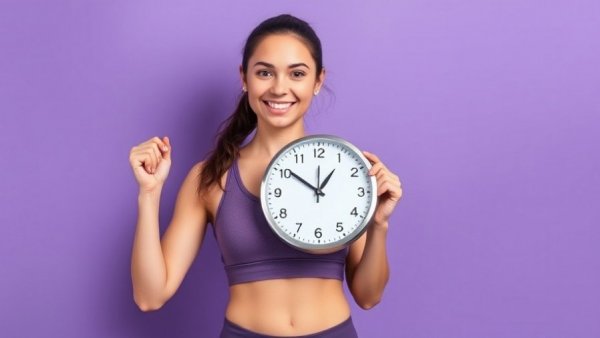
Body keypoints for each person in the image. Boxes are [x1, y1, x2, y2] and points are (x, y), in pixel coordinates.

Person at [128, 14, 403, 337]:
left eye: (297, 73)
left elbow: (369, 296)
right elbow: (150, 296)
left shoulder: (346, 169)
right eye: (264, 72)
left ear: (317, 81)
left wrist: (379, 223)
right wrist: (149, 193)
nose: (279, 88)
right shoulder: (211, 177)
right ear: (244, 78)